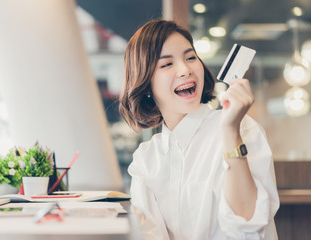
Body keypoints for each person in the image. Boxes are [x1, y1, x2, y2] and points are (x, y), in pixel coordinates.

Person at [119, 19, 279, 240]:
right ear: (146, 85)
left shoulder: (243, 129)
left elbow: (250, 227)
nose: (185, 70)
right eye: (167, 64)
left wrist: (231, 132)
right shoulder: (146, 160)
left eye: (191, 57)